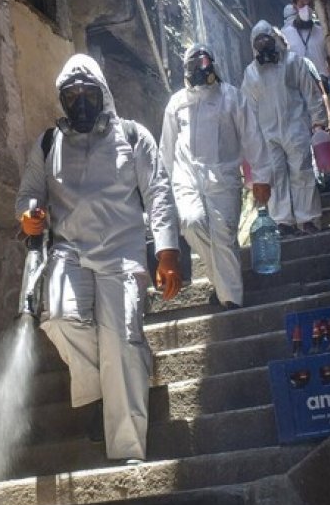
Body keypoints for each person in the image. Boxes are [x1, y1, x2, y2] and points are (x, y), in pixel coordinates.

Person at [15, 53, 182, 463]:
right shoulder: (49, 143)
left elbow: (158, 191)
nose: (80, 100)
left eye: (87, 91)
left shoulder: (132, 135)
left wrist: (167, 252)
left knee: (121, 341)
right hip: (69, 252)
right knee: (58, 318)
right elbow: (29, 194)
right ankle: (105, 390)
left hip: (122, 253)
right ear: (62, 99)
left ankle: (127, 449)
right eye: (70, 94)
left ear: (102, 92)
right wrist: (30, 216)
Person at [160, 43, 272, 310]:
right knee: (189, 223)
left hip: (223, 176)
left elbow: (252, 137)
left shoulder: (231, 97)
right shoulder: (176, 103)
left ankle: (231, 299)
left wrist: (261, 177)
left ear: (212, 65)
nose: (201, 69)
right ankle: (224, 285)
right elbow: (166, 148)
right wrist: (162, 189)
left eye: (204, 63)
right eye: (194, 65)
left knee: (223, 235)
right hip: (186, 178)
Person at [241, 20, 328, 236]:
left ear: (275, 39)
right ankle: (282, 221)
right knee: (275, 176)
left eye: (266, 39)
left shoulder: (293, 62)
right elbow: (248, 109)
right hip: (267, 135)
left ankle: (307, 219)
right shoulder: (251, 73)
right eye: (258, 42)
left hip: (295, 127)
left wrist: (318, 122)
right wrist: (250, 140)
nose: (263, 45)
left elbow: (311, 93)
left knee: (302, 172)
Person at [282, 0, 330, 134]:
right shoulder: (285, 35)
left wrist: (327, 74)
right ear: (295, 7)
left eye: (309, 4)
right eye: (302, 4)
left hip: (322, 86)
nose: (306, 8)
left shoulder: (322, 32)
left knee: (327, 128)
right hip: (298, 90)